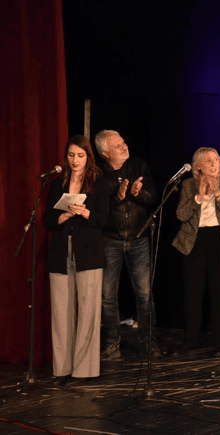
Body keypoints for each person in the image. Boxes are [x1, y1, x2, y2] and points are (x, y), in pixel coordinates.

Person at [43, 135, 110, 381]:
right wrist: (61, 217)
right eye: (71, 155)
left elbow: (105, 219)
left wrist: (86, 213)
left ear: (88, 157)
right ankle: (62, 368)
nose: (75, 160)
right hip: (61, 251)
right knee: (61, 311)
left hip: (88, 252)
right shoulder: (56, 185)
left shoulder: (99, 183)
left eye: (80, 156)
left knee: (88, 310)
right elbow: (48, 218)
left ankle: (84, 370)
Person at [94, 129, 159, 359]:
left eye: (123, 142)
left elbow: (153, 198)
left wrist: (138, 194)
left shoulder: (138, 166)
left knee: (145, 293)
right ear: (105, 154)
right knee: (107, 296)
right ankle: (112, 343)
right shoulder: (98, 173)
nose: (124, 147)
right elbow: (96, 209)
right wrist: (118, 197)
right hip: (109, 240)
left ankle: (148, 341)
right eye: (117, 146)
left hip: (138, 238)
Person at [173, 147, 220, 355]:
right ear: (198, 167)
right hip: (194, 241)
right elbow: (181, 215)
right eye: (208, 161)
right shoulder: (188, 185)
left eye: (216, 160)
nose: (214, 164)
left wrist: (218, 194)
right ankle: (191, 340)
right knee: (193, 293)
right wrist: (199, 196)